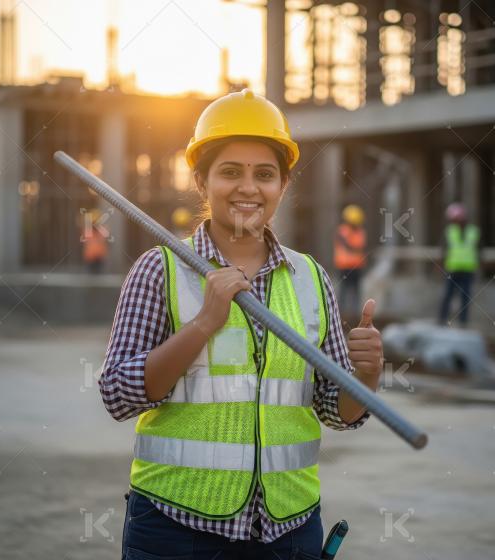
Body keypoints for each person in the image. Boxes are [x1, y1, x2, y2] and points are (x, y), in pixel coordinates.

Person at [99, 89, 384, 559]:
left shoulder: (310, 278)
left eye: (264, 175)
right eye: (230, 172)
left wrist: (366, 377)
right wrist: (203, 324)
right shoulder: (160, 270)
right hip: (177, 528)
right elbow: (117, 395)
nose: (248, 188)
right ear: (200, 180)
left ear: (283, 185)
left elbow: (338, 412)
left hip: (288, 529)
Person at [438, 202, 479, 327]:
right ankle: (442, 319)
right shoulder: (450, 231)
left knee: (465, 297)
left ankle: (463, 321)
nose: (455, 221)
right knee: (447, 295)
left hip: (468, 269)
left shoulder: (473, 231)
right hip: (453, 269)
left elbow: (478, 250)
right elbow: (444, 250)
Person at [333, 204, 367, 318]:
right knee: (344, 291)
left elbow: (358, 246)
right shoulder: (343, 231)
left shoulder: (359, 232)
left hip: (356, 266)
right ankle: (341, 314)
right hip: (344, 266)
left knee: (355, 291)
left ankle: (355, 314)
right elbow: (349, 246)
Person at [81, 208, 108, 274]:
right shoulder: (88, 230)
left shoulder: (102, 230)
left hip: (99, 257)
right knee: (90, 275)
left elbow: (106, 239)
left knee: (99, 274)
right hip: (90, 257)